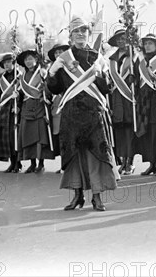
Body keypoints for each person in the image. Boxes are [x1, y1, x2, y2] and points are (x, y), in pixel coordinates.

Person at [47, 16, 117, 211]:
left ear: (88, 34)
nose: (80, 34)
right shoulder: (64, 58)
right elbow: (55, 89)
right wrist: (52, 73)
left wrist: (102, 75)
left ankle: (97, 196)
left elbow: (106, 88)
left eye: (83, 31)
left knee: (96, 156)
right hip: (71, 113)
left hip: (94, 113)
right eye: (76, 31)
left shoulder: (97, 57)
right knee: (73, 156)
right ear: (70, 35)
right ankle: (77, 196)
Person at [16, 49, 55, 173]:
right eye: (26, 60)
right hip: (27, 107)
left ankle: (41, 163)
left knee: (40, 136)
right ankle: (32, 162)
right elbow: (21, 93)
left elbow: (49, 89)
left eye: (30, 59)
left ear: (36, 60)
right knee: (27, 136)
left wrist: (46, 89)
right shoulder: (22, 77)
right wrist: (16, 95)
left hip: (39, 107)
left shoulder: (43, 73)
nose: (28, 62)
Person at [135, 33, 156, 176]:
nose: (147, 46)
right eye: (146, 43)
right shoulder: (140, 62)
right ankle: (151, 163)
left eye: (151, 43)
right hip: (143, 100)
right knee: (147, 131)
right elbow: (138, 81)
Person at [107, 28, 137, 175]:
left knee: (130, 130)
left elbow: (140, 75)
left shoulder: (134, 57)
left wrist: (134, 79)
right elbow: (109, 78)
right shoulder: (111, 59)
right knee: (119, 129)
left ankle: (130, 161)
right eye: (118, 39)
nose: (120, 41)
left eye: (123, 38)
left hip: (129, 97)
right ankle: (122, 160)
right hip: (116, 97)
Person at [45, 44, 70, 174]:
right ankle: (63, 163)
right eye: (56, 53)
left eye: (61, 52)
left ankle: (71, 164)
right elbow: (48, 87)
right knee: (59, 136)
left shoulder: (72, 67)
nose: (58, 54)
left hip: (69, 104)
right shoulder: (52, 70)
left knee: (69, 135)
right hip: (56, 107)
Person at [0, 53, 23, 173]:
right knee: (7, 138)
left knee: (15, 137)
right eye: (5, 63)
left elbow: (24, 92)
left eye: (9, 62)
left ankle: (18, 162)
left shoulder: (19, 76)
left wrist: (19, 105)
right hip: (5, 111)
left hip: (15, 109)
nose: (7, 65)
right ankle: (12, 162)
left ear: (14, 63)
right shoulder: (1, 78)